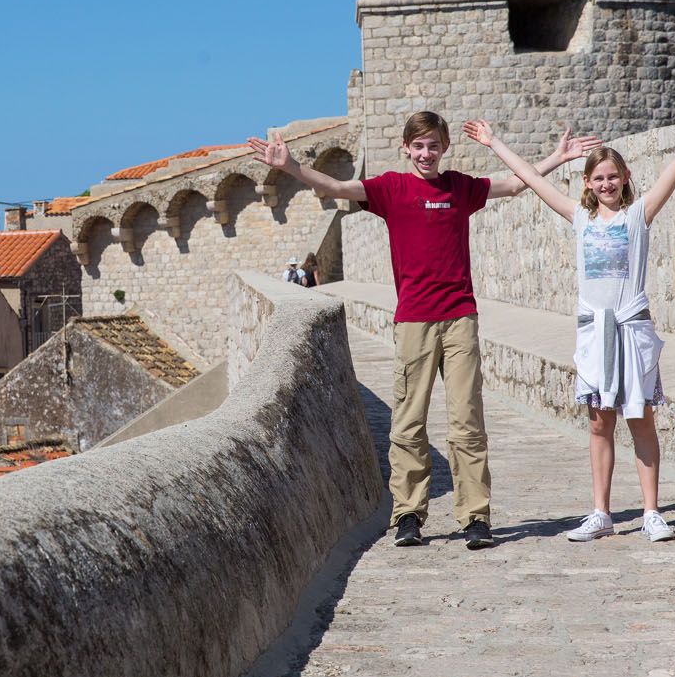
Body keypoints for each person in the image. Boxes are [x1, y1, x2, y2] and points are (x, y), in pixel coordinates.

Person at [250, 117, 601, 549]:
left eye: (433, 146)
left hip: (459, 318)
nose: (425, 154)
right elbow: (338, 189)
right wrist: (290, 167)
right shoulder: (392, 188)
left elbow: (512, 185)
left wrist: (557, 158)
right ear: (405, 148)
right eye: (418, 146)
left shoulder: (459, 188)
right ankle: (409, 514)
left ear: (445, 148)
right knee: (408, 422)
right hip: (413, 320)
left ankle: (475, 515)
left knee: (466, 421)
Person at [463, 83, 675, 543]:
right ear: (587, 183)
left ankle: (650, 512)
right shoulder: (579, 217)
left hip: (632, 328)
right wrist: (494, 143)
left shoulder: (638, 215)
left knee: (640, 418)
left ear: (625, 177)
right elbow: (530, 177)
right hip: (594, 334)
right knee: (598, 421)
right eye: (598, 178)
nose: (606, 184)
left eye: (613, 176)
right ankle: (601, 513)